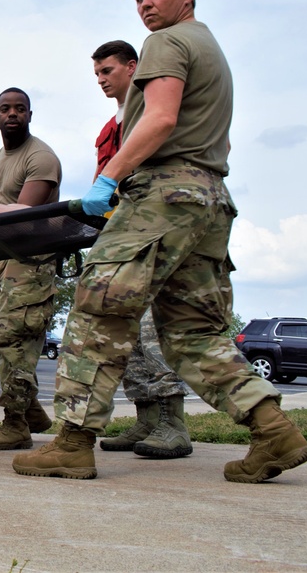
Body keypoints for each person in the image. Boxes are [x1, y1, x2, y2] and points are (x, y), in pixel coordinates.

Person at [13, 0, 307, 482]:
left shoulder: (168, 42)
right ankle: (274, 432)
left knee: (98, 308)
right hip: (208, 200)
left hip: (162, 196)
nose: (147, 4)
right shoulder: (209, 47)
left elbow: (161, 117)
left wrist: (110, 176)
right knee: (194, 332)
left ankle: (73, 441)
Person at [90, 40, 193, 459]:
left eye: (108, 71)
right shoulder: (111, 126)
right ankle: (147, 418)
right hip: (119, 233)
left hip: (154, 231)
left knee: (153, 329)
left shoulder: (154, 112)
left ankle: (173, 423)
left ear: (133, 67)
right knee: (127, 329)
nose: (101, 80)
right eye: (96, 73)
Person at [0, 87, 62, 450]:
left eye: (20, 109)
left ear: (30, 115)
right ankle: (31, 408)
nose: (12, 114)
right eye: (5, 109)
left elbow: (20, 218)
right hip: (3, 261)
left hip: (31, 262)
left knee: (14, 338)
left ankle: (16, 423)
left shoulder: (41, 158)